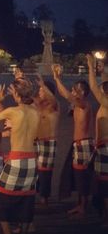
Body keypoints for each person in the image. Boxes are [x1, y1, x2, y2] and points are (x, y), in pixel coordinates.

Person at [0, 80, 40, 234]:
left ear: (16, 94)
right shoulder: (36, 111)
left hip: (17, 160)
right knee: (26, 197)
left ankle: (7, 231)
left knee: (1, 197)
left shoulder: (13, 111)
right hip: (31, 161)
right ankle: (24, 228)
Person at [52, 64, 93, 217]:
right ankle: (81, 204)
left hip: (83, 144)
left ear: (82, 92)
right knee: (77, 175)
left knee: (81, 176)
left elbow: (66, 95)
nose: (73, 91)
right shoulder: (79, 104)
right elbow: (68, 97)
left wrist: (57, 78)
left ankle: (83, 206)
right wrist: (58, 77)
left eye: (75, 89)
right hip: (78, 144)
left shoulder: (83, 104)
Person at [86, 54, 108, 226]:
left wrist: (91, 67)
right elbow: (102, 83)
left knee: (104, 184)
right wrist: (102, 68)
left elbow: (93, 87)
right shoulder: (104, 104)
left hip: (106, 149)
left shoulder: (106, 102)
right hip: (102, 147)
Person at [33, 74, 60, 206]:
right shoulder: (39, 104)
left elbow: (53, 99)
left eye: (42, 90)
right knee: (35, 170)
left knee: (45, 172)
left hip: (48, 142)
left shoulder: (54, 106)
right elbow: (25, 98)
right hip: (37, 141)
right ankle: (37, 194)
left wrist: (43, 85)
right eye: (39, 90)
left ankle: (44, 198)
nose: (40, 92)